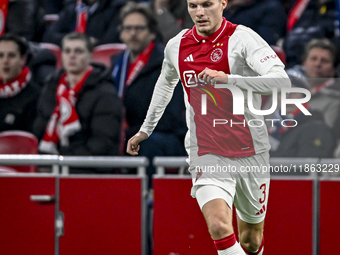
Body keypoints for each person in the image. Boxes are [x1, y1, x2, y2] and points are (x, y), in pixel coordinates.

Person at [127, 0, 290, 254]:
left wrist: (229, 79)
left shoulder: (244, 39)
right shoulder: (177, 45)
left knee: (251, 240)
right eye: (193, 6)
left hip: (251, 150)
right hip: (206, 151)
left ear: (223, 3)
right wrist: (145, 129)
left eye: (207, 4)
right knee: (218, 225)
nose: (199, 12)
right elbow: (165, 84)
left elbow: (282, 82)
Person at [111, 2, 186, 186]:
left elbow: (170, 118)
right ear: (121, 33)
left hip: (165, 137)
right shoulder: (117, 65)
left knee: (144, 143)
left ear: (152, 32)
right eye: (128, 28)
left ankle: (149, 199)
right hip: (130, 131)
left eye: (139, 28)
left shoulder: (167, 65)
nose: (133, 33)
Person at [33, 32, 122, 161]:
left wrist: (63, 159)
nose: (72, 56)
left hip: (87, 166)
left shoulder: (105, 92)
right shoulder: (51, 87)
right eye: (67, 51)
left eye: (78, 51)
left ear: (91, 57)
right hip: (50, 161)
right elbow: (39, 128)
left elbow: (103, 142)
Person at [269, 72, 335, 158]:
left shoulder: (315, 127)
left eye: (293, 91)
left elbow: (305, 167)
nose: (287, 97)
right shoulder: (274, 126)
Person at [288, 38, 340, 128]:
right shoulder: (290, 89)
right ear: (304, 63)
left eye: (324, 61)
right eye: (313, 59)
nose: (318, 64)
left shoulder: (336, 99)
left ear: (333, 69)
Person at [42, 0, 128, 47]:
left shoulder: (117, 8)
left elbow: (110, 42)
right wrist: (81, 40)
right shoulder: (72, 7)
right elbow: (49, 36)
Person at [0, 33, 40, 133]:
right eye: (0, 56)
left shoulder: (35, 96)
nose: (5, 61)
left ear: (23, 59)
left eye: (11, 55)